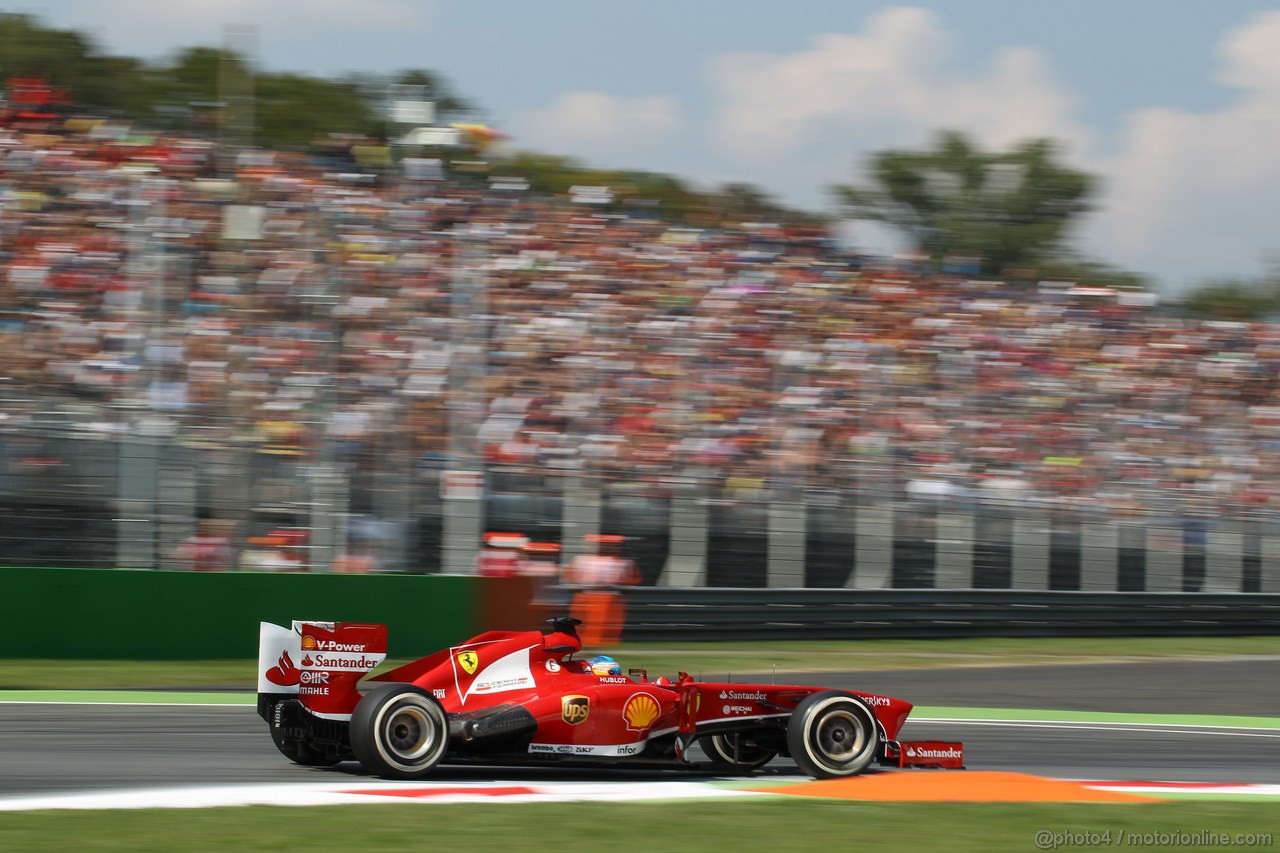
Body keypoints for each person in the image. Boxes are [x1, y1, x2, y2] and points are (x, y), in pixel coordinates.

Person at [567, 534, 639, 647]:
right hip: (586, 595)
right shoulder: (581, 560)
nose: (608, 547)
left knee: (609, 623)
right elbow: (570, 576)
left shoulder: (624, 562)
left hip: (611, 596)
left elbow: (633, 579)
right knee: (582, 621)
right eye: (604, 545)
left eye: (612, 545)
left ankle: (603, 642)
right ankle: (581, 641)